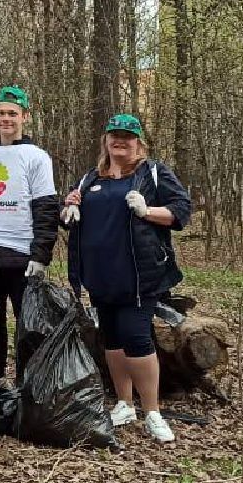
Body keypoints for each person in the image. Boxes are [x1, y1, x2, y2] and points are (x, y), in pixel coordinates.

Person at [62, 113, 191, 443]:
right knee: (112, 338)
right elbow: (76, 218)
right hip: (100, 275)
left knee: (136, 337)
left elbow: (181, 212)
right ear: (105, 140)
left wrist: (147, 211)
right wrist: (71, 207)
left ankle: (153, 412)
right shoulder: (90, 178)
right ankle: (123, 403)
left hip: (139, 276)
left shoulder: (153, 173)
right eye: (114, 135)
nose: (121, 141)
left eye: (128, 136)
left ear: (139, 142)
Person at [0, 86, 59, 382]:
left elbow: (46, 208)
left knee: (26, 322)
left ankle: (26, 381)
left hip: (22, 255)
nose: (7, 119)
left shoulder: (36, 157)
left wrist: (41, 253)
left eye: (13, 113)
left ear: (24, 117)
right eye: (2, 113)